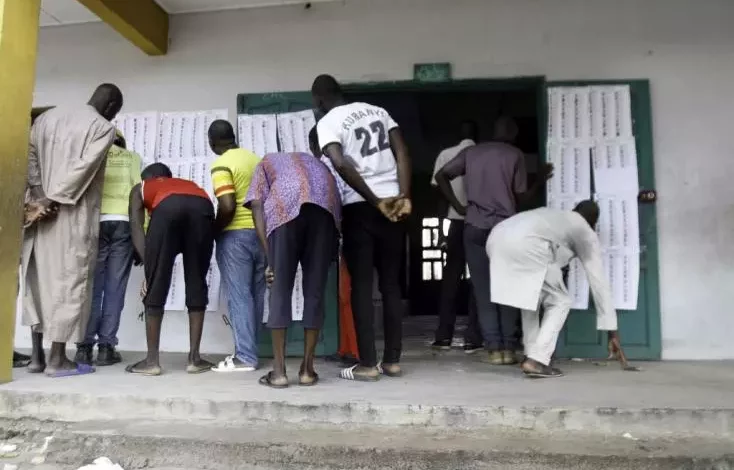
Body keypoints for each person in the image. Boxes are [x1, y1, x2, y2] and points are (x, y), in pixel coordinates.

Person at [312, 74, 412, 382]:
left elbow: (341, 163)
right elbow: (403, 154)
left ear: (318, 100)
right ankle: (393, 361)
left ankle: (368, 364)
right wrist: (404, 196)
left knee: (362, 287)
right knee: (392, 285)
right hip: (395, 202)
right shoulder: (378, 111)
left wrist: (373, 200)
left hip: (361, 207)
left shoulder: (327, 122)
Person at [22, 83, 123, 377]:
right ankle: (57, 360)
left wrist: (39, 196)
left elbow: (30, 158)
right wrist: (52, 199)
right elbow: (84, 167)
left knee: (39, 280)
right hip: (70, 214)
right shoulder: (102, 127)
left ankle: (37, 358)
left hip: (38, 215)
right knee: (68, 282)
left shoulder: (45, 118)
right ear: (111, 106)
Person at [434, 116, 550, 366]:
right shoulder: (514, 155)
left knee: (483, 290)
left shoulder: (471, 153)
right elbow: (522, 198)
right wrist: (539, 180)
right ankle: (508, 348)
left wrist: (457, 206)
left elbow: (442, 175)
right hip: (505, 230)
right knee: (508, 288)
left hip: (474, 227)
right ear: (514, 133)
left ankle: (493, 349)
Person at [487, 201, 627, 378]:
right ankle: (537, 361)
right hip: (527, 245)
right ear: (593, 222)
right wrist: (612, 332)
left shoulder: (556, 218)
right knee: (561, 301)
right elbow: (598, 281)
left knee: (530, 298)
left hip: (496, 239)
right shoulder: (584, 229)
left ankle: (531, 353)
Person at [245, 136, 340, 389]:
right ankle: (308, 371)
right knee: (314, 293)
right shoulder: (320, 166)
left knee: (279, 289)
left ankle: (278, 373)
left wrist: (270, 259)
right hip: (323, 214)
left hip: (284, 213)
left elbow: (256, 205)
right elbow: (336, 204)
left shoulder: (267, 161)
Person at [126, 163, 215, 376]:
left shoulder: (142, 187)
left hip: (168, 210)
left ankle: (152, 362)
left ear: (146, 178)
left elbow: (136, 227)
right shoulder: (189, 185)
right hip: (203, 208)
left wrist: (150, 269)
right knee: (197, 281)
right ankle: (194, 359)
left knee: (157, 284)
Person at [75, 131, 141, 367]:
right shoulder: (133, 158)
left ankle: (83, 348)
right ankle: (106, 348)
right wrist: (139, 238)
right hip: (123, 223)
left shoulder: (94, 157)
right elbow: (136, 197)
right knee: (115, 288)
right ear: (122, 143)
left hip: (96, 223)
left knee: (92, 288)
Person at [207, 120, 266, 373]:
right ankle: (251, 350)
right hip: (262, 234)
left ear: (212, 142)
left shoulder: (222, 164)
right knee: (256, 295)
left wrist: (214, 230)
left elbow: (228, 205)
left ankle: (244, 357)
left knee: (240, 296)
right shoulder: (256, 160)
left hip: (235, 237)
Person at [430, 121, 482, 353]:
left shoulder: (445, 154)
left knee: (450, 279)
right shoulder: (484, 155)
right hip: (479, 222)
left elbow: (439, 192)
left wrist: (449, 217)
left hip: (454, 222)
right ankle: (474, 337)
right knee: (478, 280)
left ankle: (443, 336)